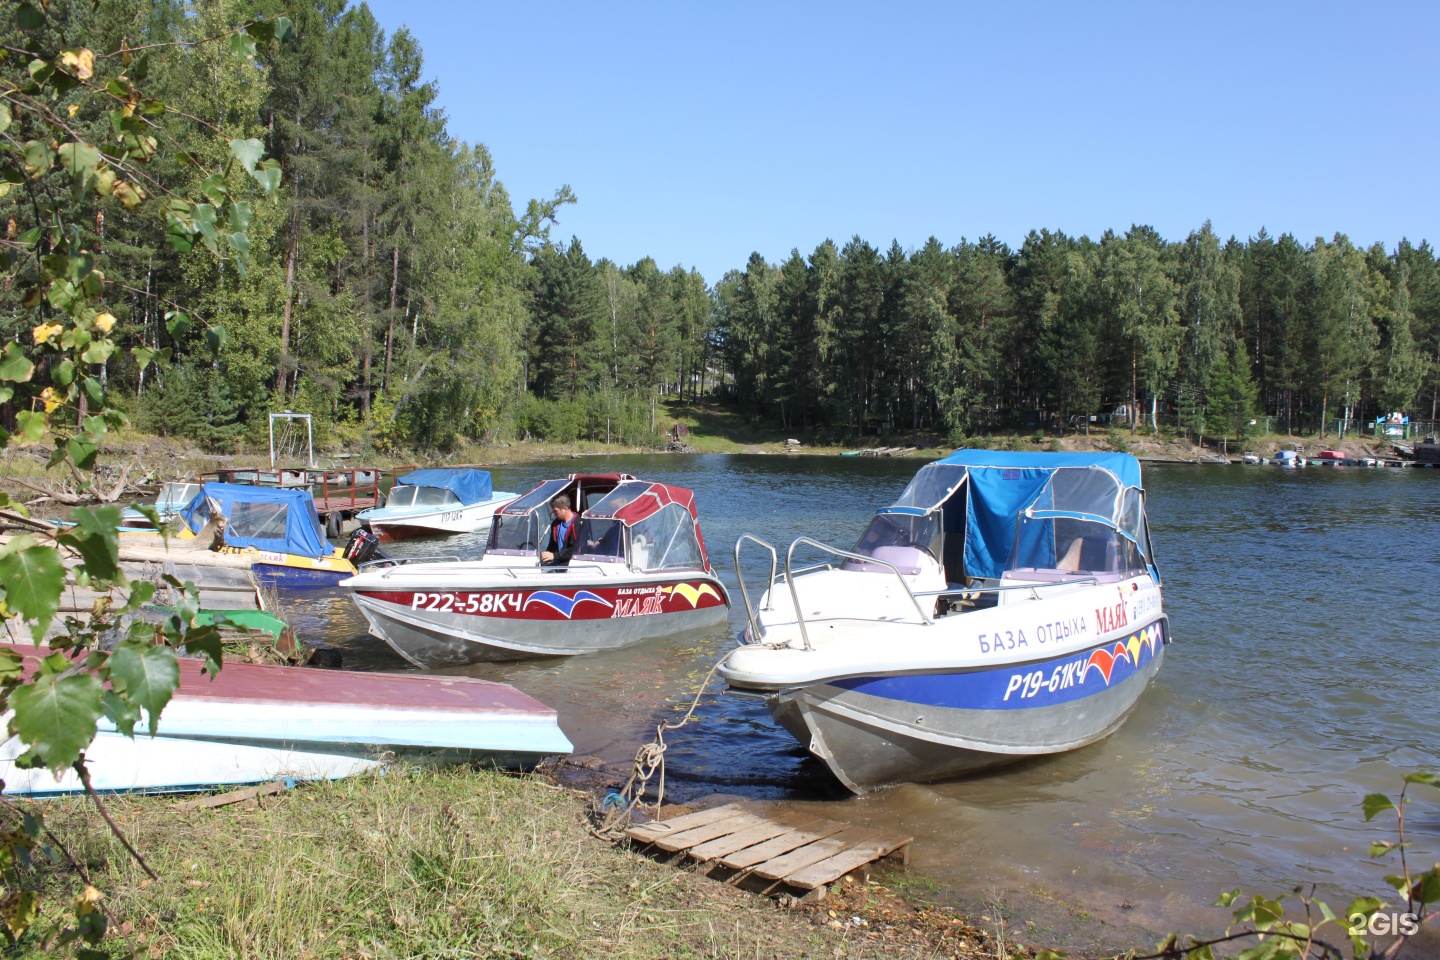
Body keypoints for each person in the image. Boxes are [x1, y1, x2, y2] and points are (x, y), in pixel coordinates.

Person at [540, 495, 578, 566]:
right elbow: (552, 545)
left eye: (555, 511)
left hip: (570, 566)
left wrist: (554, 556)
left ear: (564, 508)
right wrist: (545, 555)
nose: (554, 513)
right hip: (557, 564)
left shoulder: (578, 524)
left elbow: (575, 550)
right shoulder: (555, 524)